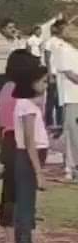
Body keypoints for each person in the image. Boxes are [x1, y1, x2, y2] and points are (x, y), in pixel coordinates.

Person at [0, 50, 41, 243]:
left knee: (10, 188)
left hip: (8, 140)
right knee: (25, 190)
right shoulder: (26, 92)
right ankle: (25, 233)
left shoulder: (5, 88)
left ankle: (8, 234)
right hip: (21, 140)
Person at [11, 64, 50, 243]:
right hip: (28, 157)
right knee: (26, 206)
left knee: (27, 204)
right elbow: (28, 141)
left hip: (32, 155)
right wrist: (38, 172)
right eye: (43, 81)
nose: (46, 85)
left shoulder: (31, 104)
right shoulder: (26, 105)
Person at [52, 22, 78, 180]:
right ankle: (71, 167)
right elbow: (70, 74)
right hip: (72, 97)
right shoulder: (63, 49)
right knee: (73, 134)